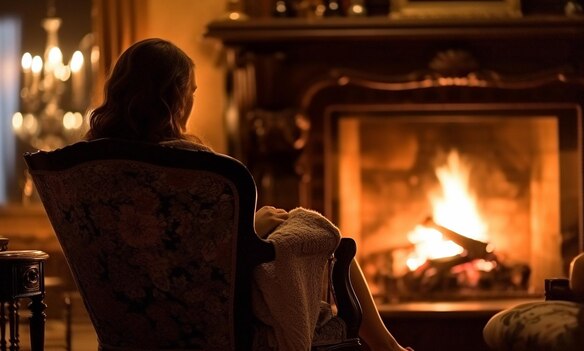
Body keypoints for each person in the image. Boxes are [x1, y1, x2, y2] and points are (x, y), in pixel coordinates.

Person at [85, 38, 412, 351]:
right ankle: (387, 346)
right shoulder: (193, 168)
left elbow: (170, 244)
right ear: (176, 94)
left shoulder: (87, 171)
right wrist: (255, 226)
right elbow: (204, 253)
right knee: (324, 236)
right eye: (192, 91)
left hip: (132, 319)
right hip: (208, 313)